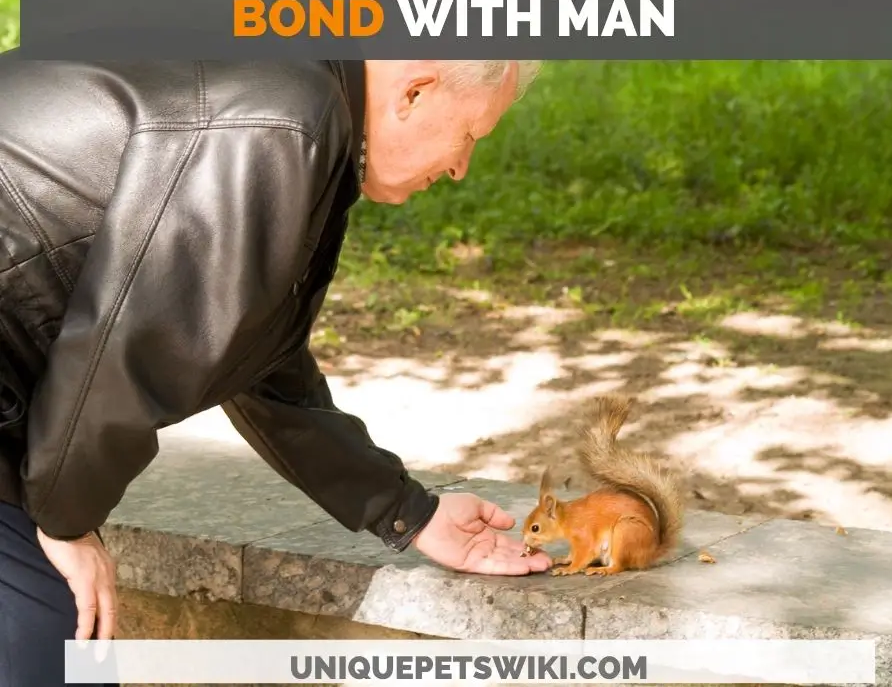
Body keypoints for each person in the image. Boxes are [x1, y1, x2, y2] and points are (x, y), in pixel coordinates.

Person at [0, 56, 552, 686]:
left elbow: (253, 353)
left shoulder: (301, 104)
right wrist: (66, 520)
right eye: (469, 136)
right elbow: (139, 339)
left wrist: (409, 512)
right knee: (63, 652)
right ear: (415, 93)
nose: (460, 168)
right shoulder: (284, 125)